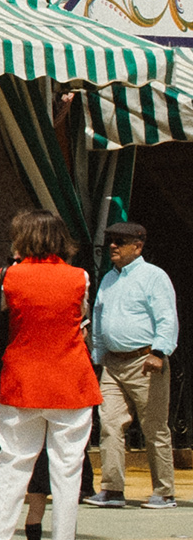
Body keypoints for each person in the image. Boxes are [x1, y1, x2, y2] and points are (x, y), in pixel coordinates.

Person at [0, 209, 102, 540]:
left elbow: (6, 319)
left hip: (22, 379)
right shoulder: (78, 277)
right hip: (70, 380)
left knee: (13, 463)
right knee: (67, 468)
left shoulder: (9, 277)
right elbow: (80, 319)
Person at [89, 214, 176, 510]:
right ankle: (112, 490)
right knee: (110, 424)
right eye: (110, 240)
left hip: (145, 361)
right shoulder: (109, 279)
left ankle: (164, 492)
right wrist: (97, 357)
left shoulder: (154, 277)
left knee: (154, 428)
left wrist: (159, 352)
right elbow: (100, 319)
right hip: (113, 365)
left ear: (137, 247)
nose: (112, 245)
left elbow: (166, 318)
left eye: (120, 241)